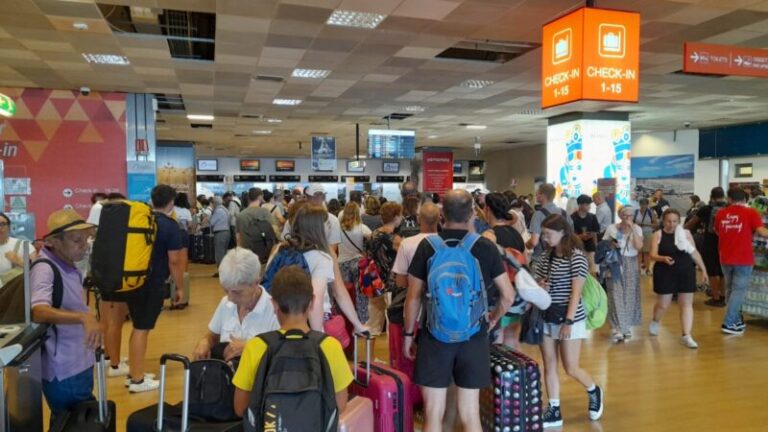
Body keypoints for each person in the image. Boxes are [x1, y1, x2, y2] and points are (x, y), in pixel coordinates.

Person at [403, 190, 516, 432]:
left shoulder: (428, 246)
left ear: (442, 215)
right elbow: (508, 295)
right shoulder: (485, 247)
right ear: (473, 213)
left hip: (434, 335)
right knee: (470, 413)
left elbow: (412, 297)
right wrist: (493, 320)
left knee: (433, 412)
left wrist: (408, 335)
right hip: (474, 335)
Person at [232, 266, 353, 418]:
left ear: (274, 304)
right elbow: (340, 405)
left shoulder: (256, 346)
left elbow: (240, 407)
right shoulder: (329, 346)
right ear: (312, 301)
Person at [30, 209, 102, 424]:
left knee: (73, 421)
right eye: (76, 240)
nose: (84, 244)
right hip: (64, 367)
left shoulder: (68, 265)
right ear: (53, 242)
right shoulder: (45, 269)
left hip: (76, 360)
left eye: (86, 238)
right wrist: (83, 318)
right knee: (75, 421)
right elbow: (39, 311)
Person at [535, 214, 604, 428]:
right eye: (544, 234)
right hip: (546, 316)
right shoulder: (545, 257)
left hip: (569, 318)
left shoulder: (576, 257)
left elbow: (576, 293)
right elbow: (535, 280)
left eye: (549, 234)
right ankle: (554, 409)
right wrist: (540, 284)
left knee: (571, 368)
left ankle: (594, 390)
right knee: (549, 364)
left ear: (563, 232)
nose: (545, 238)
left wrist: (568, 321)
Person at [125, 185, 185, 392]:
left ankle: (134, 371)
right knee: (142, 329)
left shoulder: (143, 220)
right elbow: (175, 261)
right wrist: (180, 287)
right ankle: (138, 380)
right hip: (152, 283)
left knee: (137, 327)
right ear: (171, 202)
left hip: (133, 281)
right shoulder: (169, 225)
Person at [284, 205, 365, 333]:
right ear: (317, 228)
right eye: (327, 223)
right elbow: (318, 297)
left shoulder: (281, 250)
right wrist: (317, 338)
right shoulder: (323, 256)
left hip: (284, 320)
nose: (330, 226)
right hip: (314, 324)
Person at [193, 248, 279, 362]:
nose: (230, 297)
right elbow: (213, 335)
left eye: (237, 292)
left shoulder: (275, 312)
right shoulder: (225, 303)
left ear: (256, 283)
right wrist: (205, 342)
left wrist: (251, 348)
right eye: (226, 290)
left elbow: (280, 354)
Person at [649, 209, 709, 349]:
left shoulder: (686, 234)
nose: (671, 224)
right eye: (668, 221)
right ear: (663, 221)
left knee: (686, 303)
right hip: (665, 271)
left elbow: (694, 253)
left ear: (679, 221)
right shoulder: (658, 235)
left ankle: (686, 335)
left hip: (685, 271)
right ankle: (655, 320)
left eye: (675, 221)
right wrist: (662, 258)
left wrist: (703, 270)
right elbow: (652, 255)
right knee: (664, 304)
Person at [715, 187, 768, 335]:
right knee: (738, 291)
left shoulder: (721, 213)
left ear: (729, 199)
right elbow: (762, 232)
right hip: (743, 257)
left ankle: (736, 319)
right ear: (744, 199)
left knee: (731, 289)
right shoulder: (751, 212)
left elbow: (718, 231)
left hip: (725, 257)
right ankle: (729, 322)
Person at [482, 192, 526, 349]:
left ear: (487, 209)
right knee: (512, 339)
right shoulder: (516, 234)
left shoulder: (490, 236)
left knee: (497, 342)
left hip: (499, 296)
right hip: (519, 295)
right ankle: (517, 371)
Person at [603, 206, 644, 343]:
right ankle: (617, 327)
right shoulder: (612, 228)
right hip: (614, 262)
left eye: (631, 215)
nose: (628, 218)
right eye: (625, 215)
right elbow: (604, 246)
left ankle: (625, 326)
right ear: (620, 215)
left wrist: (632, 229)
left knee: (630, 294)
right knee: (615, 293)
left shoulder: (637, 229)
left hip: (631, 263)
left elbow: (639, 247)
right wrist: (611, 244)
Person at [685, 187, 727, 307]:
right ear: (723, 196)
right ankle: (723, 296)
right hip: (725, 243)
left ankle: (715, 297)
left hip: (710, 243)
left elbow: (690, 223)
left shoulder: (706, 209)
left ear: (711, 196)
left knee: (712, 271)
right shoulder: (728, 208)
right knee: (722, 271)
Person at [366, 202, 403, 336]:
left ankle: (371, 353)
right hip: (390, 283)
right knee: (391, 321)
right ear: (396, 217)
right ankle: (391, 354)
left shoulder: (374, 233)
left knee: (375, 322)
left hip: (375, 281)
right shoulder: (395, 239)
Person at [338, 201, 372, 323]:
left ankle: (345, 319)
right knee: (360, 293)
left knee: (343, 293)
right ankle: (362, 320)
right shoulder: (362, 228)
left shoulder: (338, 228)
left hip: (342, 262)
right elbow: (373, 239)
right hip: (359, 262)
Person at [526, 183, 569, 266]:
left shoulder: (538, 214)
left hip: (542, 260)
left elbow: (534, 241)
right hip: (562, 260)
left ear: (542, 195)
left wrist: (525, 246)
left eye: (537, 193)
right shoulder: (564, 213)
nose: (536, 195)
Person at [236, 188, 278, 264]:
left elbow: (238, 239)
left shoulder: (241, 215)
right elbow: (275, 230)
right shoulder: (265, 213)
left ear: (248, 198)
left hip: (247, 254)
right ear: (260, 197)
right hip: (265, 253)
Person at [570, 195, 601, 275]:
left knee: (593, 271)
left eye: (589, 205)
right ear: (580, 205)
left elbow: (595, 233)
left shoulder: (592, 217)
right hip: (577, 249)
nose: (589, 207)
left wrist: (596, 247)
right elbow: (570, 235)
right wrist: (580, 236)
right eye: (587, 205)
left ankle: (594, 287)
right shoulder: (572, 218)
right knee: (579, 272)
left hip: (590, 248)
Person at [634, 198, 658, 275]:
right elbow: (632, 222)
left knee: (647, 252)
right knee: (639, 252)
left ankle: (647, 269)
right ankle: (638, 269)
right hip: (637, 233)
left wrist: (646, 225)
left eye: (645, 204)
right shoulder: (636, 212)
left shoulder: (651, 213)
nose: (643, 206)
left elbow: (655, 224)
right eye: (642, 204)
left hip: (647, 233)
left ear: (647, 205)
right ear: (639, 204)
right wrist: (636, 225)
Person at [0, 213, 23, 285]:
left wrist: (21, 262)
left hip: (11, 294)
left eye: (2, 224)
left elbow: (36, 274)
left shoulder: (22, 246)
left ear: (9, 227)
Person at [209, 196, 231, 271]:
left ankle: (221, 271)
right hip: (227, 232)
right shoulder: (225, 209)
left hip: (220, 233)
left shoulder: (218, 210)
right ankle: (225, 270)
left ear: (214, 203)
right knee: (224, 253)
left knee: (219, 254)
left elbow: (212, 222)